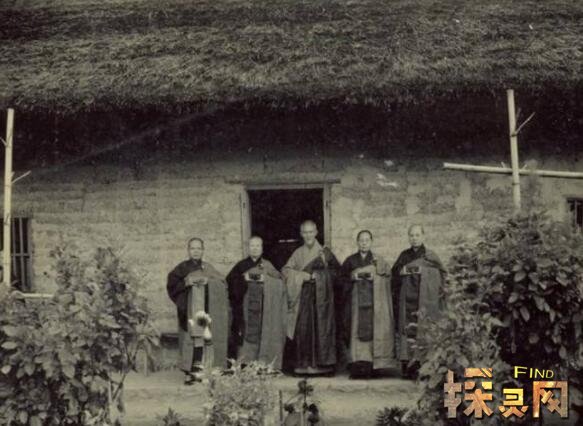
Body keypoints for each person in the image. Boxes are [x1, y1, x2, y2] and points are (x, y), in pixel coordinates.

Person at [167, 237, 229, 385]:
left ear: (203, 250)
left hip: (207, 310)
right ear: (188, 250)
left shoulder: (208, 268)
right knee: (192, 340)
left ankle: (204, 371)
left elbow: (222, 283)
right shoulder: (181, 268)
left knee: (205, 339)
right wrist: (186, 282)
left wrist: (209, 282)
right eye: (193, 248)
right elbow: (172, 286)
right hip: (189, 310)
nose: (196, 251)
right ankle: (190, 373)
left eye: (199, 248)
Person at [282, 220, 341, 376]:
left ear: (316, 232)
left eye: (310, 232)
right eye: (305, 232)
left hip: (322, 299)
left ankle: (324, 367)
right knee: (303, 330)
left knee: (322, 330)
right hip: (303, 297)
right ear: (301, 234)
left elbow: (338, 274)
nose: (308, 235)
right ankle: (303, 366)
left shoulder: (325, 253)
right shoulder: (297, 253)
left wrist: (319, 276)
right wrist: (301, 275)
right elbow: (285, 271)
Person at [391, 225, 446, 379]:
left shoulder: (430, 255)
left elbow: (442, 273)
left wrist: (425, 272)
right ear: (408, 237)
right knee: (407, 329)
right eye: (412, 235)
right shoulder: (404, 255)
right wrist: (402, 271)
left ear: (423, 236)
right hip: (407, 298)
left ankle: (424, 368)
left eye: (417, 235)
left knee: (424, 328)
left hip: (425, 299)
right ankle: (407, 368)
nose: (414, 238)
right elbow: (394, 274)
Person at [340, 230, 396, 379]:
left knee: (374, 332)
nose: (364, 243)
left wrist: (376, 278)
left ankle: (373, 367)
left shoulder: (378, 261)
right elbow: (340, 281)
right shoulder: (350, 261)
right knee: (355, 333)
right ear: (357, 242)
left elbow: (388, 277)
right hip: (356, 305)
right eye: (361, 240)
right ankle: (357, 367)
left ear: (371, 242)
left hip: (374, 303)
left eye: (367, 240)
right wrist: (353, 277)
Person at [226, 236, 287, 369]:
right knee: (246, 332)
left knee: (262, 331)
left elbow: (280, 282)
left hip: (264, 306)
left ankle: (263, 362)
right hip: (246, 307)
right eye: (252, 246)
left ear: (262, 248)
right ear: (248, 248)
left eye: (257, 246)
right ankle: (245, 362)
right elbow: (229, 282)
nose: (255, 248)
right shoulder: (241, 265)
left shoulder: (268, 265)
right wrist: (243, 279)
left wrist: (266, 280)